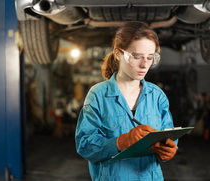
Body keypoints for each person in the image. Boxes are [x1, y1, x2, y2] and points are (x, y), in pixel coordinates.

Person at [75, 21, 177, 180]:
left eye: (150, 58)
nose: (144, 65)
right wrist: (120, 142)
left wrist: (170, 149)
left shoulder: (157, 96)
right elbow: (85, 146)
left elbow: (169, 135)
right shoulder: (98, 95)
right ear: (118, 53)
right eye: (136, 57)